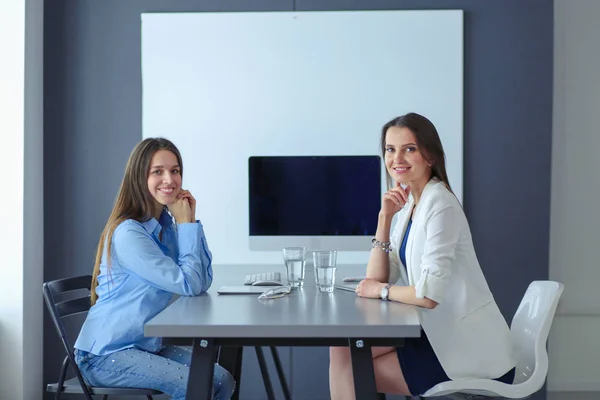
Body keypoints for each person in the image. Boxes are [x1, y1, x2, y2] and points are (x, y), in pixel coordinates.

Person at [329, 113, 516, 398]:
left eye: (409, 149)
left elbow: (428, 295)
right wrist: (384, 219)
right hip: (436, 335)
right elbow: (376, 276)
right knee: (343, 348)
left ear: (430, 156)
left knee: (354, 369)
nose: (397, 158)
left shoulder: (441, 206)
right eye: (390, 149)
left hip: (464, 350)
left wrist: (382, 291)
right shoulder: (410, 206)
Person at [74, 138, 235, 400]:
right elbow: (189, 284)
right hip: (106, 355)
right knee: (196, 384)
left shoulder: (165, 226)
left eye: (175, 170)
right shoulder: (129, 234)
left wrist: (190, 222)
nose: (169, 179)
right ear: (140, 178)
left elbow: (201, 281)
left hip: (145, 347)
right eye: (157, 171)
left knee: (222, 379)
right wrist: (186, 226)